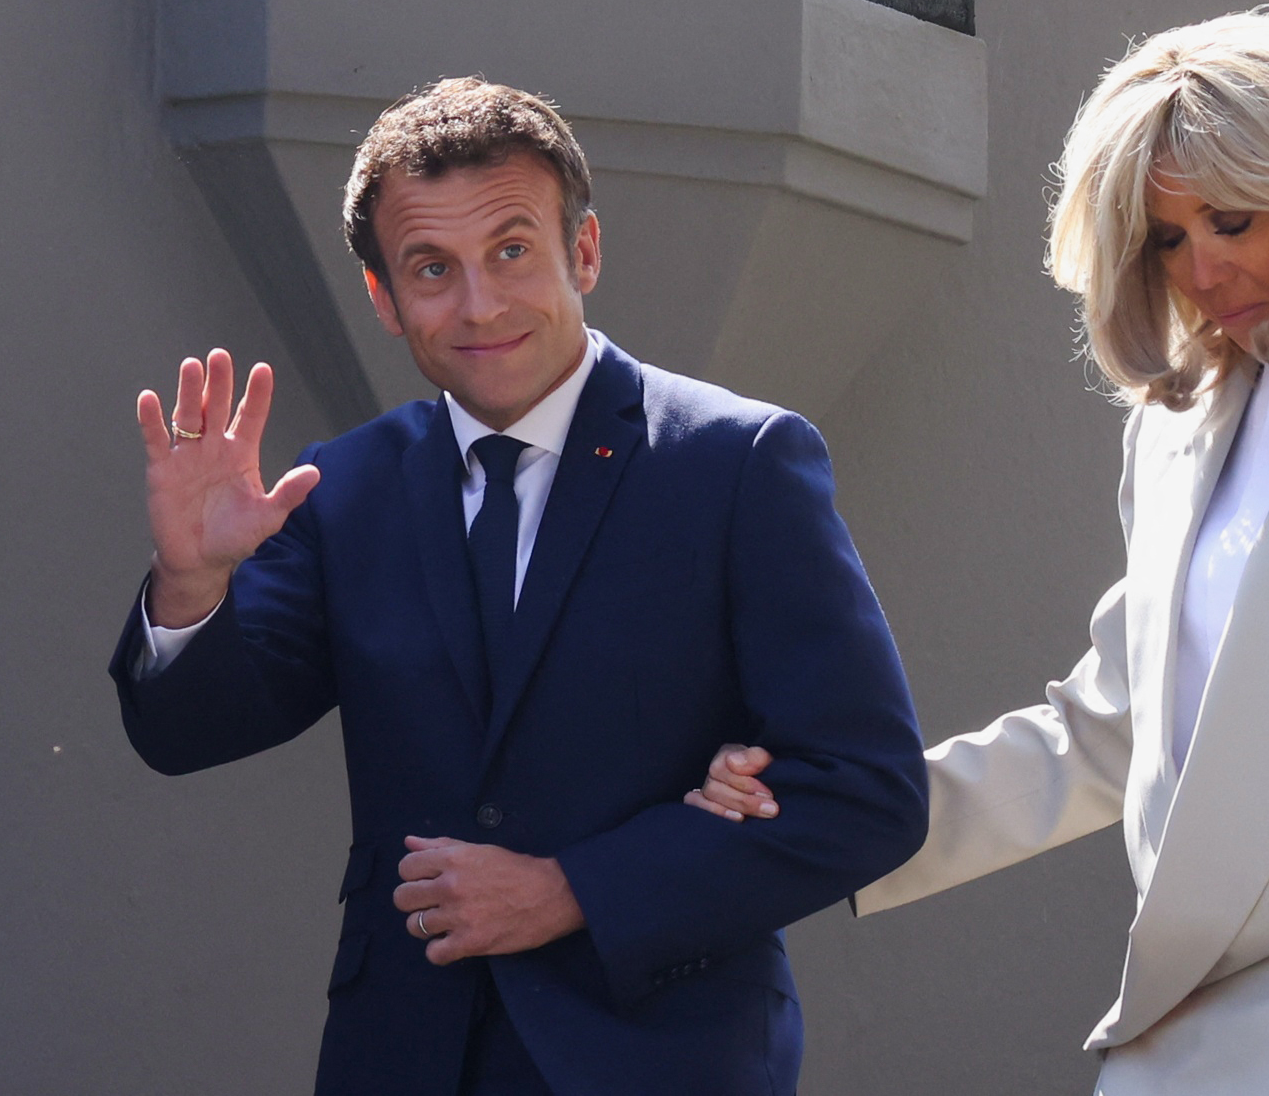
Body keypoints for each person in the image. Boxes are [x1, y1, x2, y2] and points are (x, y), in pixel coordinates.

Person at [108, 77, 929, 1096]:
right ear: (384, 298)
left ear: (582, 251)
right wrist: (191, 580)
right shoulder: (343, 486)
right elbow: (190, 732)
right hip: (402, 1058)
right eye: (431, 268)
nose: (480, 303)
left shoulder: (736, 462)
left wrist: (571, 890)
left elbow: (867, 792)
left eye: (510, 250)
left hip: (660, 1058)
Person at [689, 10, 1269, 1095]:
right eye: (1165, 236)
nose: (1198, 267)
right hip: (1185, 1012)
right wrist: (826, 810)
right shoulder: (1176, 426)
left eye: (1232, 220)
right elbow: (1107, 732)